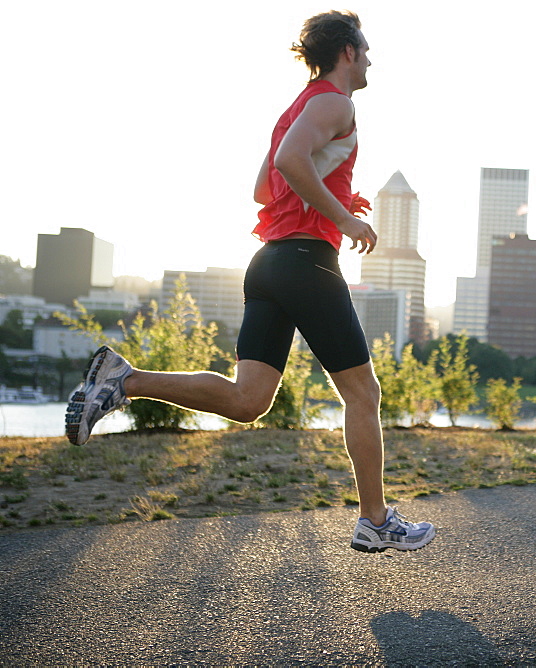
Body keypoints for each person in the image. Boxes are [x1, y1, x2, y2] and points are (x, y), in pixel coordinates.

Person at [64, 10, 434, 554]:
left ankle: (123, 379)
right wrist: (344, 218)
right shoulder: (336, 103)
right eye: (367, 48)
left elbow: (266, 189)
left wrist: (328, 196)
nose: (372, 58)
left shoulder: (295, 109)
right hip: (307, 262)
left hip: (269, 264)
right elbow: (288, 163)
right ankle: (375, 521)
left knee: (248, 400)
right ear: (348, 52)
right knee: (364, 392)